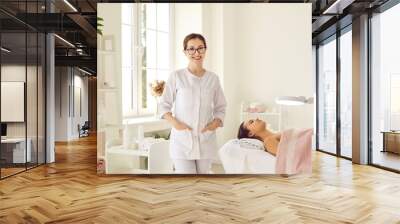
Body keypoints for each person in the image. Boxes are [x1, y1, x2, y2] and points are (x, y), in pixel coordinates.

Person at [159, 33, 227, 174]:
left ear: (205, 50)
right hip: (181, 141)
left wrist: (215, 123)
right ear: (185, 52)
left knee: (203, 182)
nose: (196, 53)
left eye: (200, 48)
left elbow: (221, 106)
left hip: (205, 139)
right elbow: (163, 105)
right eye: (191, 49)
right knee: (187, 182)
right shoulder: (177, 76)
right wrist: (175, 123)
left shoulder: (213, 79)